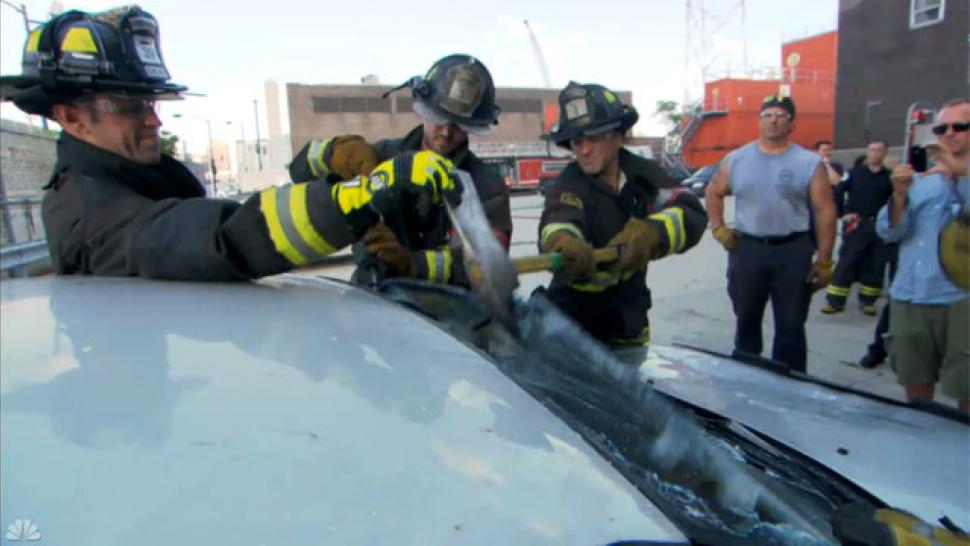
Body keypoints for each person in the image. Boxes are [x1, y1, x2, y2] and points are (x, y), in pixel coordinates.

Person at [0, 6, 457, 281]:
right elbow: (221, 238)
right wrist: (361, 197)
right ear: (72, 117)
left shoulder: (130, 183)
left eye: (151, 102)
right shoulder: (92, 214)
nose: (153, 119)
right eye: (129, 106)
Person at [289, 54, 511, 287]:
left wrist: (412, 265)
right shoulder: (381, 157)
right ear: (423, 110)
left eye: (458, 125)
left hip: (450, 305)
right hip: (371, 293)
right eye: (439, 118)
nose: (446, 132)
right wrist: (332, 153)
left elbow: (486, 268)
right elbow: (299, 173)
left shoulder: (486, 186)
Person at [537, 81, 707, 347]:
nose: (584, 150)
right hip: (573, 333)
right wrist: (562, 243)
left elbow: (690, 212)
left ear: (618, 135)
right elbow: (559, 220)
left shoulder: (644, 174)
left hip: (628, 328)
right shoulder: (569, 184)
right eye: (577, 141)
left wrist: (651, 235)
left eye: (593, 137)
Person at [706, 94, 836, 373]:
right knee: (746, 319)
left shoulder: (808, 162)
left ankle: (789, 382)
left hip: (793, 252)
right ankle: (746, 377)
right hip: (748, 250)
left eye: (780, 115)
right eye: (767, 115)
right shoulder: (737, 159)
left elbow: (825, 210)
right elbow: (713, 191)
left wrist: (825, 260)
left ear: (792, 123)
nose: (773, 121)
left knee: (791, 324)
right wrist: (718, 228)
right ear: (759, 121)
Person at [876, 98, 970, 412]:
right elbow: (889, 232)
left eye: (960, 126)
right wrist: (900, 195)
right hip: (911, 295)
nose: (949, 133)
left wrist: (959, 172)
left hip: (961, 297)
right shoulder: (921, 181)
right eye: (942, 128)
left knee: (966, 384)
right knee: (914, 378)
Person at [821, 140, 893, 316]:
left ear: (885, 153)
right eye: (871, 150)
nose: (874, 153)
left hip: (879, 226)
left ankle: (868, 301)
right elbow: (838, 191)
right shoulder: (854, 173)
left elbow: (896, 200)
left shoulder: (889, 177)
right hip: (857, 224)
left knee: (875, 264)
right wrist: (843, 213)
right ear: (867, 152)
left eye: (879, 150)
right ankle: (834, 301)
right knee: (847, 262)